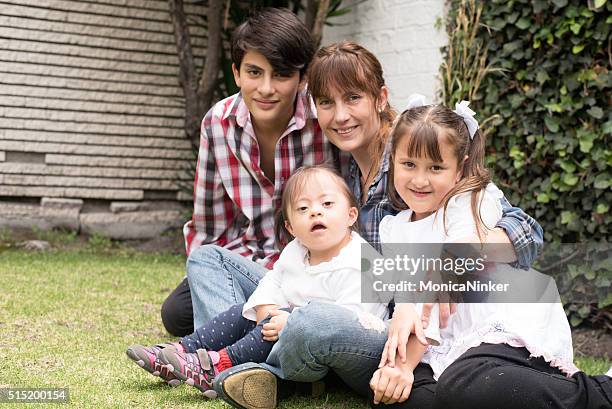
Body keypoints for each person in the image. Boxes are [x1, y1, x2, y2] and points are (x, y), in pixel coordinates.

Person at [212, 42, 547, 409]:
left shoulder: (415, 158)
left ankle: (270, 365)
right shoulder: (343, 170)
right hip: (345, 285)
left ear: (380, 98)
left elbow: (526, 230)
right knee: (208, 267)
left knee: (312, 321)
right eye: (327, 103)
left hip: (383, 316)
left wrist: (456, 256)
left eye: (353, 98)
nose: (340, 116)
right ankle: (274, 341)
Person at [367, 101, 612, 409]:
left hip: (503, 322)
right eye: (409, 165)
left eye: (436, 167)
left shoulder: (469, 201)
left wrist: (402, 365)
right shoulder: (393, 227)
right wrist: (398, 344)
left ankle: (602, 391)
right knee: (407, 397)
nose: (419, 180)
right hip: (449, 340)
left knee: (464, 384)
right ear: (393, 161)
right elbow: (407, 296)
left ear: (461, 168)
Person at [128, 166, 388, 400]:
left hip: (337, 351)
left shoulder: (358, 262)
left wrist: (291, 320)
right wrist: (265, 307)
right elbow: (274, 280)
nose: (316, 211)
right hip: (294, 334)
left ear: (352, 215)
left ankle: (218, 366)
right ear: (290, 227)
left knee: (281, 320)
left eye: (328, 204)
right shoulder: (297, 250)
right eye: (303, 209)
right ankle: (182, 352)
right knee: (243, 313)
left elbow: (348, 323)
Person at [160, 8, 338, 337]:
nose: (266, 88)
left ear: (303, 78)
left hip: (310, 266)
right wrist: (208, 274)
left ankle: (231, 349)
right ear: (237, 73)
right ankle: (256, 339)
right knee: (176, 312)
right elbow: (210, 226)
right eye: (254, 73)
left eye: (281, 74)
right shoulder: (218, 123)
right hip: (250, 260)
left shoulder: (325, 121)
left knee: (200, 312)